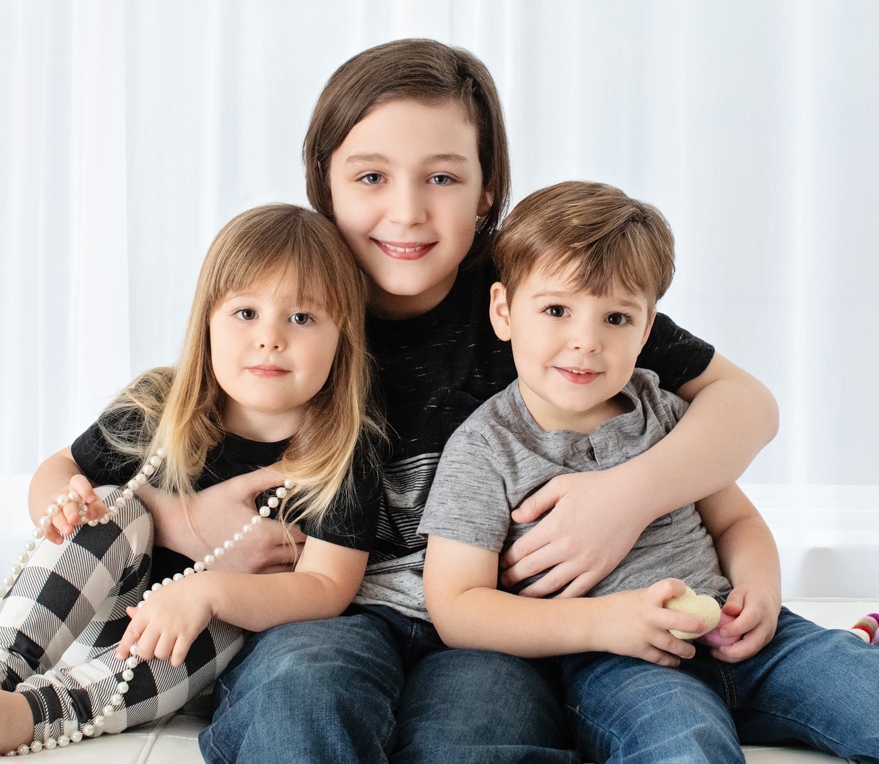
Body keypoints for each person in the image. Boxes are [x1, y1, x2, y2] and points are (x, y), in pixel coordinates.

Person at [190, 40, 779, 763]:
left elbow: (747, 404)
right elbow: (88, 466)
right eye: (371, 175)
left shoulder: (541, 295)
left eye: (442, 176)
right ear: (324, 182)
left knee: (479, 733)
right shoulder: (286, 302)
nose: (406, 212)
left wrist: (624, 497)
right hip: (330, 610)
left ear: (487, 189)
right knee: (299, 692)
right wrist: (180, 516)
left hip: (494, 626)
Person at [419, 180, 879, 762]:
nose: (585, 342)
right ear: (504, 311)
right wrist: (602, 624)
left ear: (647, 328)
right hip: (622, 664)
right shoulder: (485, 448)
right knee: (685, 747)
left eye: (616, 317)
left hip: (751, 641)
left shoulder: (663, 410)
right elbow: (457, 605)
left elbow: (736, 521)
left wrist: (760, 590)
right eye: (557, 309)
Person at [0, 204, 383, 761]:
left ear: (343, 336)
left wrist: (207, 592)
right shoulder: (160, 406)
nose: (270, 339)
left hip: (194, 657)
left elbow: (327, 588)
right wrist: (61, 501)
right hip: (106, 612)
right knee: (112, 505)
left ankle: (28, 714)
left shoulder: (343, 448)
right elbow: (57, 469)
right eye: (246, 312)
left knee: (228, 621)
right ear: (207, 319)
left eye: (301, 318)